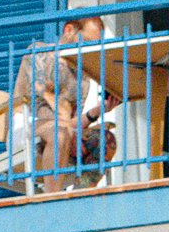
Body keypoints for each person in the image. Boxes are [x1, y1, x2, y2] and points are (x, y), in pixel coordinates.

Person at [14, 14, 120, 192]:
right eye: (87, 41)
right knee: (61, 132)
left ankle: (79, 196)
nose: (89, 49)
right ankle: (52, 197)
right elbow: (39, 98)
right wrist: (67, 125)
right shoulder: (39, 52)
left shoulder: (82, 77)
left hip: (62, 130)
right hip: (26, 126)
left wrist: (96, 112)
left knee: (105, 140)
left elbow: (71, 122)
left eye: (94, 45)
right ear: (69, 30)